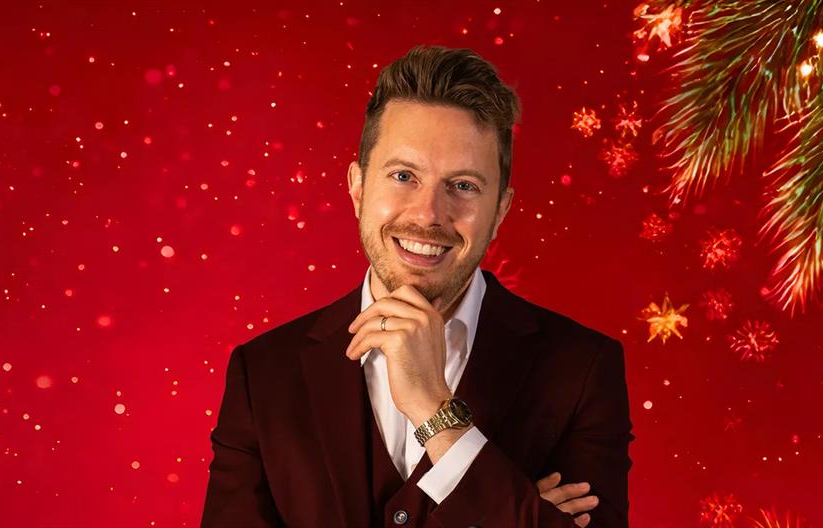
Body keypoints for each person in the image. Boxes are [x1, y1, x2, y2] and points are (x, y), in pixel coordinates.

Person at [202, 45, 633, 528]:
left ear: (500, 210)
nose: (429, 214)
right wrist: (519, 511)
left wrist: (436, 411)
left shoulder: (581, 368)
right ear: (358, 188)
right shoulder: (263, 373)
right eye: (404, 175)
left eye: (463, 185)